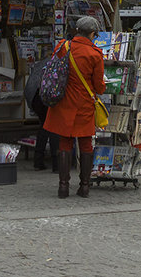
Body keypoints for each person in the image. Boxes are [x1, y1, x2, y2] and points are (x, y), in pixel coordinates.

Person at [43, 16, 105, 199]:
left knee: (64, 142)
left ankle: (63, 187)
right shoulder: (95, 54)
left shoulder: (63, 46)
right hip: (84, 104)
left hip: (63, 102)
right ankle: (84, 187)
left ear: (77, 30)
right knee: (86, 144)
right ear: (92, 33)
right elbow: (99, 86)